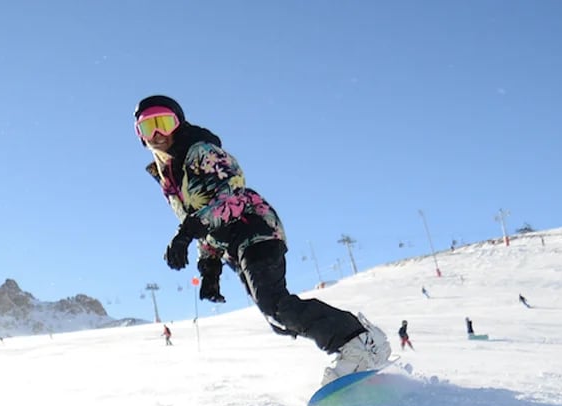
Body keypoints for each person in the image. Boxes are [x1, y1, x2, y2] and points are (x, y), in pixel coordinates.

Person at [134, 95, 389, 384]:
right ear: (140, 136)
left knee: (275, 305)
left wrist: (187, 232)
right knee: (277, 318)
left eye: (164, 123)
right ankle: (356, 343)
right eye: (147, 127)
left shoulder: (201, 152)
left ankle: (357, 341)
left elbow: (233, 196)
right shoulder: (168, 179)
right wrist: (210, 269)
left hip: (254, 229)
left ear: (178, 124)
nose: (157, 135)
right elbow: (200, 219)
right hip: (234, 246)